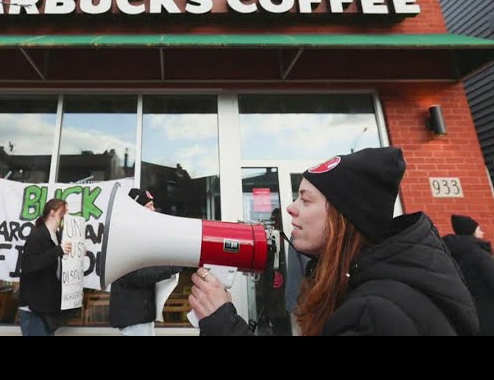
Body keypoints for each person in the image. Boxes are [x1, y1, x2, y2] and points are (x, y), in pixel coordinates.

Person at [189, 147, 479, 336]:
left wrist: (223, 325)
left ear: (343, 217)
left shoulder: (374, 315)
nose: (291, 208)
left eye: (305, 199)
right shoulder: (375, 287)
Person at [109, 188, 183, 336]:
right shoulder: (126, 236)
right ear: (136, 208)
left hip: (138, 315)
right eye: (149, 205)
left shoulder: (134, 233)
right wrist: (170, 267)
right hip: (133, 318)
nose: (154, 209)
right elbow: (137, 275)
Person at [19, 198, 72, 336]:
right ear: (52, 212)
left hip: (46, 308)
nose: (66, 215)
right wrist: (57, 251)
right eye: (64, 211)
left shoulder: (57, 237)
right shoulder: (37, 236)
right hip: (34, 311)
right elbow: (28, 266)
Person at [443, 214, 494, 335]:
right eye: (479, 229)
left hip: (466, 317)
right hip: (489, 315)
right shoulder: (479, 255)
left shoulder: (450, 256)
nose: (482, 232)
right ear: (472, 233)